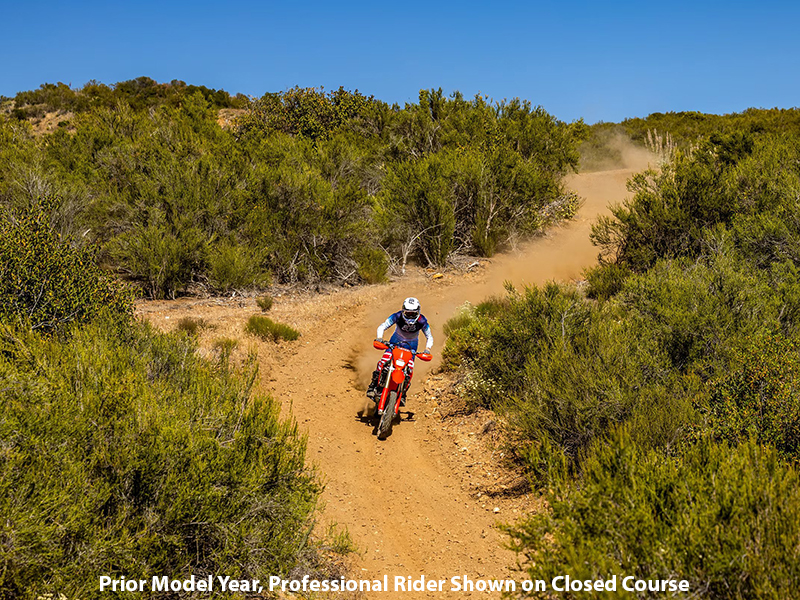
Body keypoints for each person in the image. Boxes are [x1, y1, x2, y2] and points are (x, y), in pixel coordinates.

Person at [367, 297, 433, 406]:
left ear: (418, 312)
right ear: (403, 311)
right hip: (395, 342)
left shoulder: (422, 321)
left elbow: (429, 337)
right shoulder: (397, 316)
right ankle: (373, 385)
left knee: (409, 370)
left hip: (411, 346)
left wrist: (427, 349)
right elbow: (383, 326)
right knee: (383, 362)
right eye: (408, 313)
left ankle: (402, 393)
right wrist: (379, 337)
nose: (410, 316)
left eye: (413, 314)